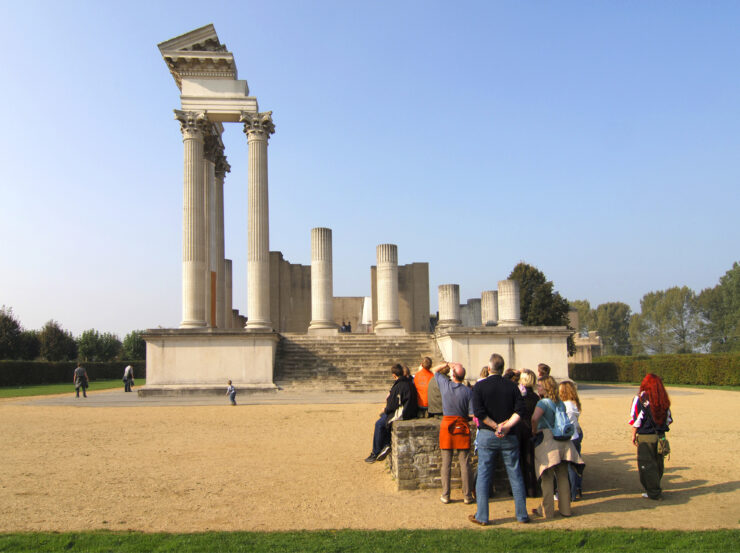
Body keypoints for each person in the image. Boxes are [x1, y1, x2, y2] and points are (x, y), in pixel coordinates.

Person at [468, 353, 530, 526]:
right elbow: (520, 410)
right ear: (502, 369)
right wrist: (507, 426)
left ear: (489, 369)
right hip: (509, 435)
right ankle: (522, 514)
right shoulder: (512, 387)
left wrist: (495, 426)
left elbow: (479, 413)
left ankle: (482, 516)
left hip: (488, 434)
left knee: (484, 475)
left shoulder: (480, 387)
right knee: (515, 475)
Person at [531, 376, 584, 519]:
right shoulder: (560, 403)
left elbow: (535, 418)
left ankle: (547, 511)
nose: (538, 388)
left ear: (546, 388)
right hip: (563, 441)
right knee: (562, 476)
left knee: (547, 476)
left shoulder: (543, 403)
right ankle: (566, 509)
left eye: (540, 386)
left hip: (548, 440)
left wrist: (534, 430)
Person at [434, 362, 474, 505]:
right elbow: (471, 414)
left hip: (447, 425)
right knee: (465, 463)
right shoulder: (468, 391)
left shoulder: (446, 385)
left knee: (446, 462)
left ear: (453, 374)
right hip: (462, 424)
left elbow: (435, 371)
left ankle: (445, 495)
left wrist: (446, 364)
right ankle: (467, 496)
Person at [629, 373, 672, 500]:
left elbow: (636, 419)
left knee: (647, 465)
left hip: (646, 436)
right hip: (660, 436)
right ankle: (655, 487)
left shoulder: (641, 399)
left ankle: (653, 491)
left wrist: (633, 435)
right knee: (658, 463)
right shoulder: (663, 399)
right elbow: (668, 420)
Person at [365, 364, 418, 463]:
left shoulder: (399, 386)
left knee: (379, 424)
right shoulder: (408, 383)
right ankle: (385, 444)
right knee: (383, 419)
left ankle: (375, 452)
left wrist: (385, 410)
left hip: (403, 413)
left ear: (394, 375)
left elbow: (392, 405)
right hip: (409, 411)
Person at [516, 369, 541, 497]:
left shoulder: (519, 396)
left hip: (520, 430)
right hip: (531, 431)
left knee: (519, 460)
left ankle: (521, 490)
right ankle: (532, 489)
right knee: (530, 460)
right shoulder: (536, 397)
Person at [559, 380, 583, 501]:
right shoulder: (574, 404)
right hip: (575, 436)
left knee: (569, 468)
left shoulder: (565, 405)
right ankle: (577, 489)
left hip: (568, 438)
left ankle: (571, 493)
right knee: (574, 465)